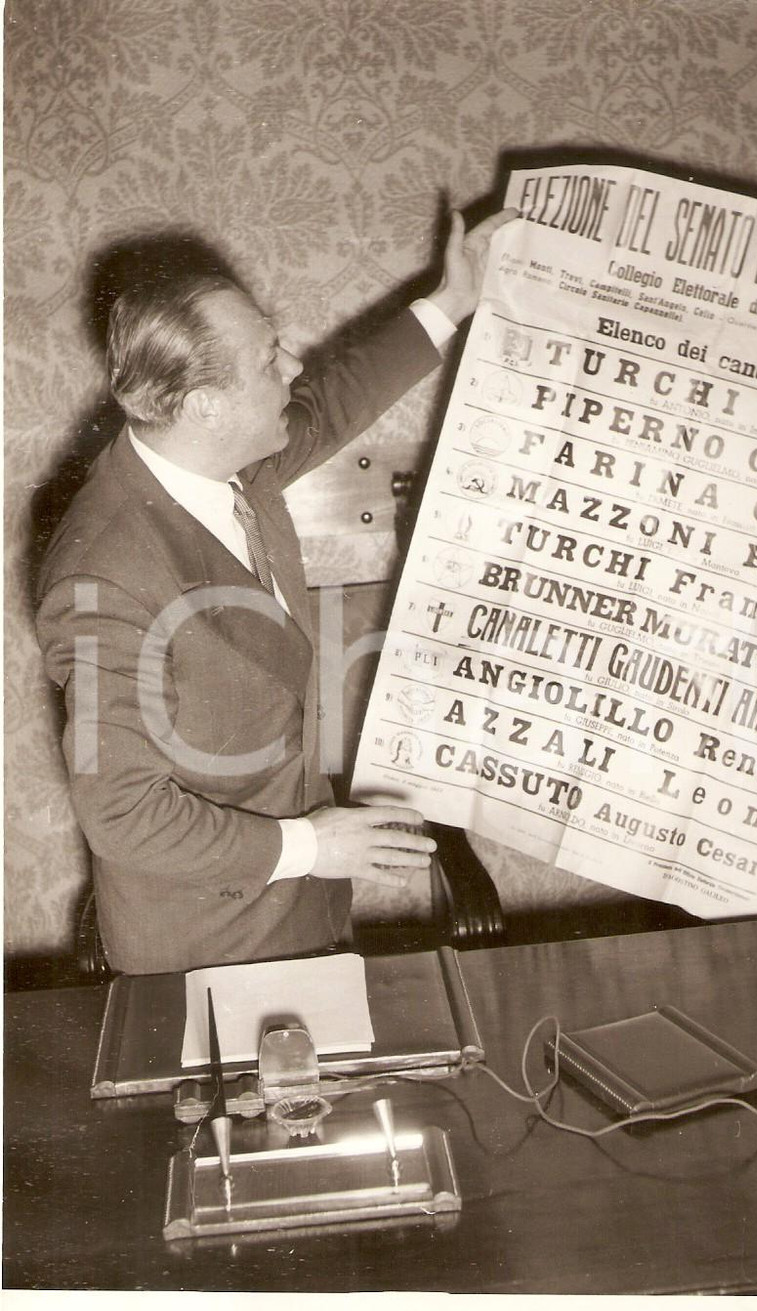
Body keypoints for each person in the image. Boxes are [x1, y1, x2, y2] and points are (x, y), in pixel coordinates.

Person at [37, 207, 515, 974]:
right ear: (204, 405)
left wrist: (452, 300)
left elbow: (330, 404)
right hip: (205, 951)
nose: (293, 367)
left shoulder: (223, 466)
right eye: (269, 359)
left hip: (305, 915)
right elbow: (123, 814)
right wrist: (314, 844)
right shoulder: (105, 571)